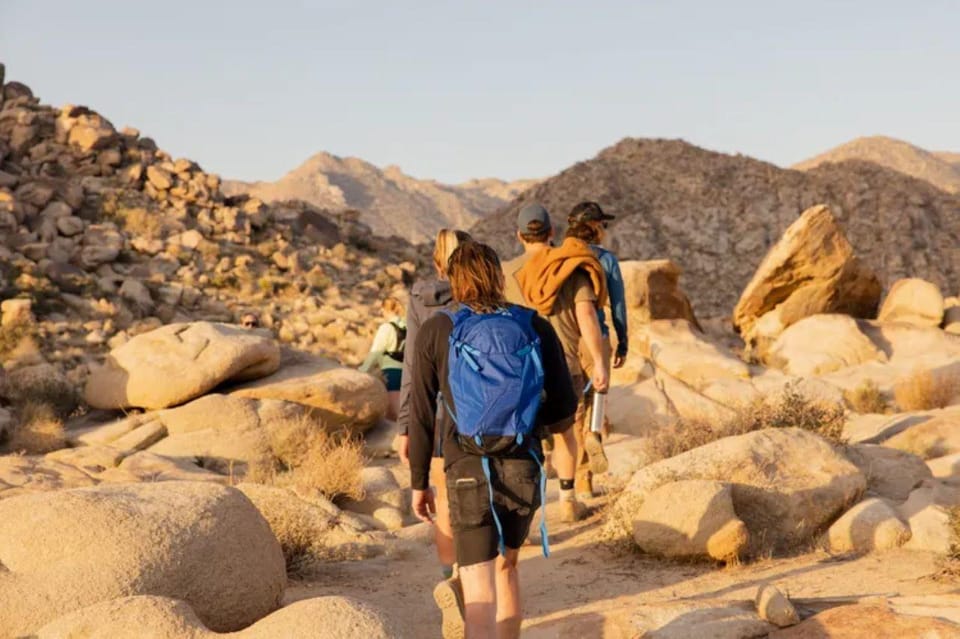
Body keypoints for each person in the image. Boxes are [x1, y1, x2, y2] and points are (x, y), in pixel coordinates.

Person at [409, 241, 577, 639]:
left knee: (478, 588)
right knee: (508, 569)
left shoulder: (438, 328)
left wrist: (419, 481)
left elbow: (419, 412)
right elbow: (563, 406)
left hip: (466, 467)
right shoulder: (533, 324)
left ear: (454, 281)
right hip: (522, 464)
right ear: (497, 277)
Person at [501, 203, 608, 522]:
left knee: (522, 438)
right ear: (551, 232)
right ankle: (568, 500)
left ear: (519, 235)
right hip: (566, 364)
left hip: (521, 368)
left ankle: (523, 509)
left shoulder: (506, 272)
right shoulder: (571, 266)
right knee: (566, 434)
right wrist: (599, 362)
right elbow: (587, 316)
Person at [396, 229, 471, 602]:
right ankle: (471, 573)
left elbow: (411, 365)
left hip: (437, 413)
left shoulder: (419, 299)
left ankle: (449, 578)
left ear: (436, 261)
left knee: (441, 498)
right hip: (476, 410)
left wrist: (406, 425)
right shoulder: (480, 294)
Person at [565, 201, 628, 500]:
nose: (605, 230)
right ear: (593, 226)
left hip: (565, 339)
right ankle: (586, 481)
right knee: (597, 403)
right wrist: (622, 340)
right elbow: (617, 304)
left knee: (574, 412)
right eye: (603, 224)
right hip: (596, 337)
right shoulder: (605, 259)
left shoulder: (558, 257)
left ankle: (572, 489)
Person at [358, 295, 407, 421]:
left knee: (394, 415)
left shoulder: (386, 328)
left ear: (385, 310)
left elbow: (376, 352)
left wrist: (362, 371)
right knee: (404, 411)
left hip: (391, 373)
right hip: (406, 373)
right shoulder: (407, 327)